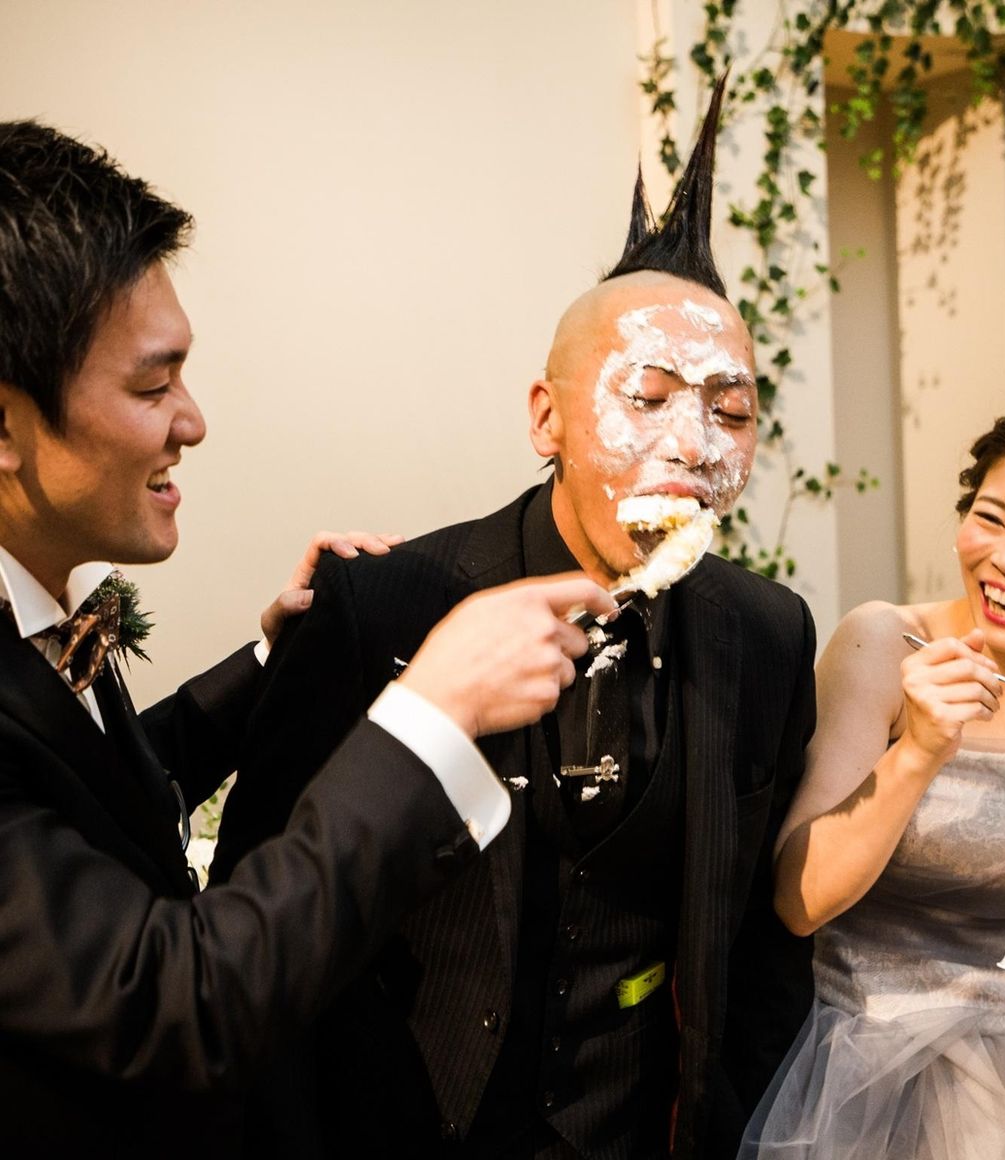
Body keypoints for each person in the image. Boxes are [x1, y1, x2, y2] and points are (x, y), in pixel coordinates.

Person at [211, 80, 816, 1160]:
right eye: (648, 397)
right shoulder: (381, 602)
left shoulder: (768, 633)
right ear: (546, 418)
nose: (692, 445)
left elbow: (764, 951)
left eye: (729, 410)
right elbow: (257, 926)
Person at [0, 120, 613, 1158]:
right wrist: (429, 714)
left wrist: (266, 665)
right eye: (151, 386)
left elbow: (95, 792)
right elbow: (178, 999)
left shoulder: (44, 614)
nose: (192, 420)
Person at [742, 373, 1005, 1158]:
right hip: (856, 1059)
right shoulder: (880, 644)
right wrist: (920, 750)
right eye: (990, 518)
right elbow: (798, 904)